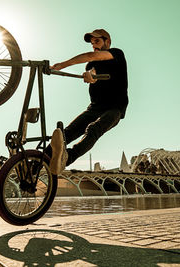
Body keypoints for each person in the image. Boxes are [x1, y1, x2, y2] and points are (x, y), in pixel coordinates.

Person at [48, 29, 128, 175]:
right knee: (66, 133)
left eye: (97, 41)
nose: (94, 46)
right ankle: (36, 163)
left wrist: (62, 65)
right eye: (92, 43)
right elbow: (93, 71)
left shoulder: (117, 54)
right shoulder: (91, 64)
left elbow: (91, 56)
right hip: (94, 108)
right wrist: (90, 75)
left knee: (94, 129)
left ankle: (67, 158)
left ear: (107, 42)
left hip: (114, 109)